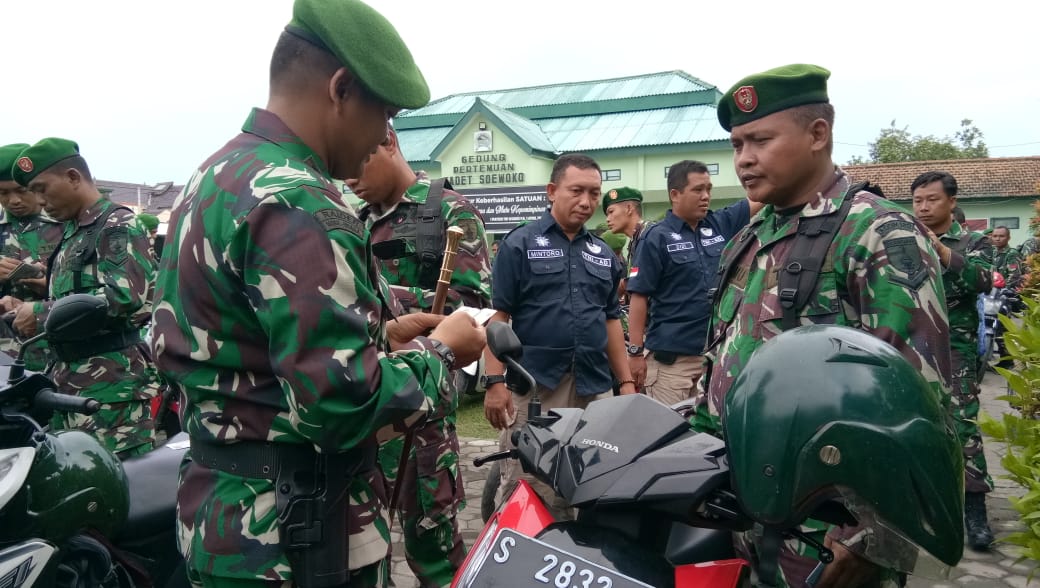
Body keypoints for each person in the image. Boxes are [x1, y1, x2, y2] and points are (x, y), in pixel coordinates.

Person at [150, 1, 486, 585]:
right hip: (297, 535)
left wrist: (381, 333)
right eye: (384, 113)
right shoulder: (299, 197)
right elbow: (340, 408)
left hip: (223, 514)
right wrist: (443, 354)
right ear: (341, 87)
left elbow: (241, 341)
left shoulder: (216, 174)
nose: (386, 135)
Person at [705, 64, 953, 587]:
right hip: (745, 511)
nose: (744, 158)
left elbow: (919, 404)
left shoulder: (877, 233)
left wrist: (876, 545)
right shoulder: (749, 239)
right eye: (737, 144)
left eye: (760, 140)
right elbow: (722, 363)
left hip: (828, 537)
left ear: (818, 134)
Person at [348, 125, 492, 586]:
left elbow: (472, 310)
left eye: (359, 161)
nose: (349, 176)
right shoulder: (354, 221)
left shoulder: (449, 213)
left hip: (424, 411)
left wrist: (379, 302)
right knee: (364, 551)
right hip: (371, 412)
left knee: (435, 551)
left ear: (388, 140)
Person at [484, 153, 635, 517]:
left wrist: (626, 382)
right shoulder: (519, 244)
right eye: (577, 191)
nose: (587, 202)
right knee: (530, 486)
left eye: (595, 193)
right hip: (536, 386)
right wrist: (493, 382)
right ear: (552, 191)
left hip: (593, 386)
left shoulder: (602, 253)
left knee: (592, 481)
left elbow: (611, 320)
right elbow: (497, 317)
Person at [6, 137, 161, 458]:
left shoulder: (116, 225)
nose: (38, 200)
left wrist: (40, 312)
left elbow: (122, 297)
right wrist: (24, 308)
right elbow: (74, 296)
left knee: (122, 486)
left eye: (41, 188)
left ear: (73, 178)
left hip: (111, 388)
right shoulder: (74, 231)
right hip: (71, 382)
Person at [626, 160, 760, 406]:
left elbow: (764, 197)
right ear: (675, 195)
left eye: (709, 189)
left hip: (715, 358)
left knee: (709, 438)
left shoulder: (719, 223)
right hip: (672, 364)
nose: (706, 196)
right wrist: (635, 353)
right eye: (698, 190)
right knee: (668, 435)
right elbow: (639, 296)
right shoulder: (656, 238)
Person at [911, 170, 995, 550]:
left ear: (951, 201)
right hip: (913, 346)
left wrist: (940, 250)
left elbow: (979, 279)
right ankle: (922, 505)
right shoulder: (904, 237)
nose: (924, 207)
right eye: (917, 201)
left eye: (932, 199)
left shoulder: (974, 241)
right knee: (914, 425)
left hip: (954, 349)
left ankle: (974, 509)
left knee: (961, 426)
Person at [0, 142, 63, 367]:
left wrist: (49, 284)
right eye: (3, 193)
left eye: (21, 190)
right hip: (4, 353)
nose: (13, 201)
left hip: (55, 349)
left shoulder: (65, 223)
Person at [602, 186, 646, 300]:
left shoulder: (649, 236)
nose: (607, 219)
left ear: (629, 208)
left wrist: (624, 284)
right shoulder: (636, 239)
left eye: (611, 212)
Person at [990, 225, 1024, 290]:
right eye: (995, 236)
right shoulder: (991, 252)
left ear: (1009, 238)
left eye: (1001, 236)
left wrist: (1001, 290)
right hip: (991, 291)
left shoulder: (1012, 253)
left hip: (1005, 292)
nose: (997, 239)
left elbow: (1014, 277)